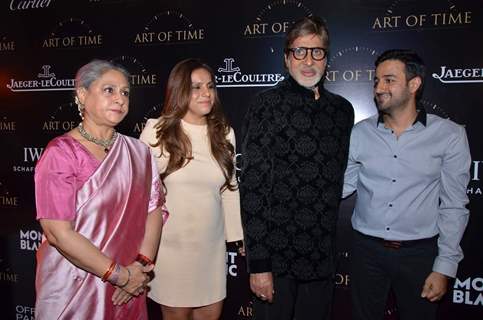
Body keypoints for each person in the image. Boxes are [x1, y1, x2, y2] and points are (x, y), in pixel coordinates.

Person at [240, 16, 354, 320]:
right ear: (287, 58)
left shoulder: (342, 111)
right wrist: (259, 264)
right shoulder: (266, 104)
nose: (308, 60)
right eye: (299, 51)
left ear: (326, 58)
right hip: (276, 260)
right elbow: (252, 189)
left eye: (317, 52)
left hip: (321, 258)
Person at [343, 49, 471, 320]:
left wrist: (444, 266)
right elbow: (341, 186)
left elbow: (454, 205)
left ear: (414, 84)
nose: (379, 88)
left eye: (389, 80)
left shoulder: (449, 135)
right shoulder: (360, 133)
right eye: (376, 80)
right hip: (366, 252)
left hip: (420, 255)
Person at [34, 60, 167, 320]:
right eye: (109, 90)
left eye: (125, 92)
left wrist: (140, 268)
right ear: (82, 95)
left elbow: (155, 210)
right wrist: (119, 275)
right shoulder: (61, 153)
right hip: (75, 287)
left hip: (129, 286)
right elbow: (57, 233)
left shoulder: (139, 152)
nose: (119, 99)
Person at [140, 58, 244, 320]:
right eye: (196, 87)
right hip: (171, 249)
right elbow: (140, 195)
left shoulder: (224, 133)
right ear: (179, 91)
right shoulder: (157, 131)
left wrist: (239, 238)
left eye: (209, 86)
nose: (206, 93)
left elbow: (229, 189)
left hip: (211, 250)